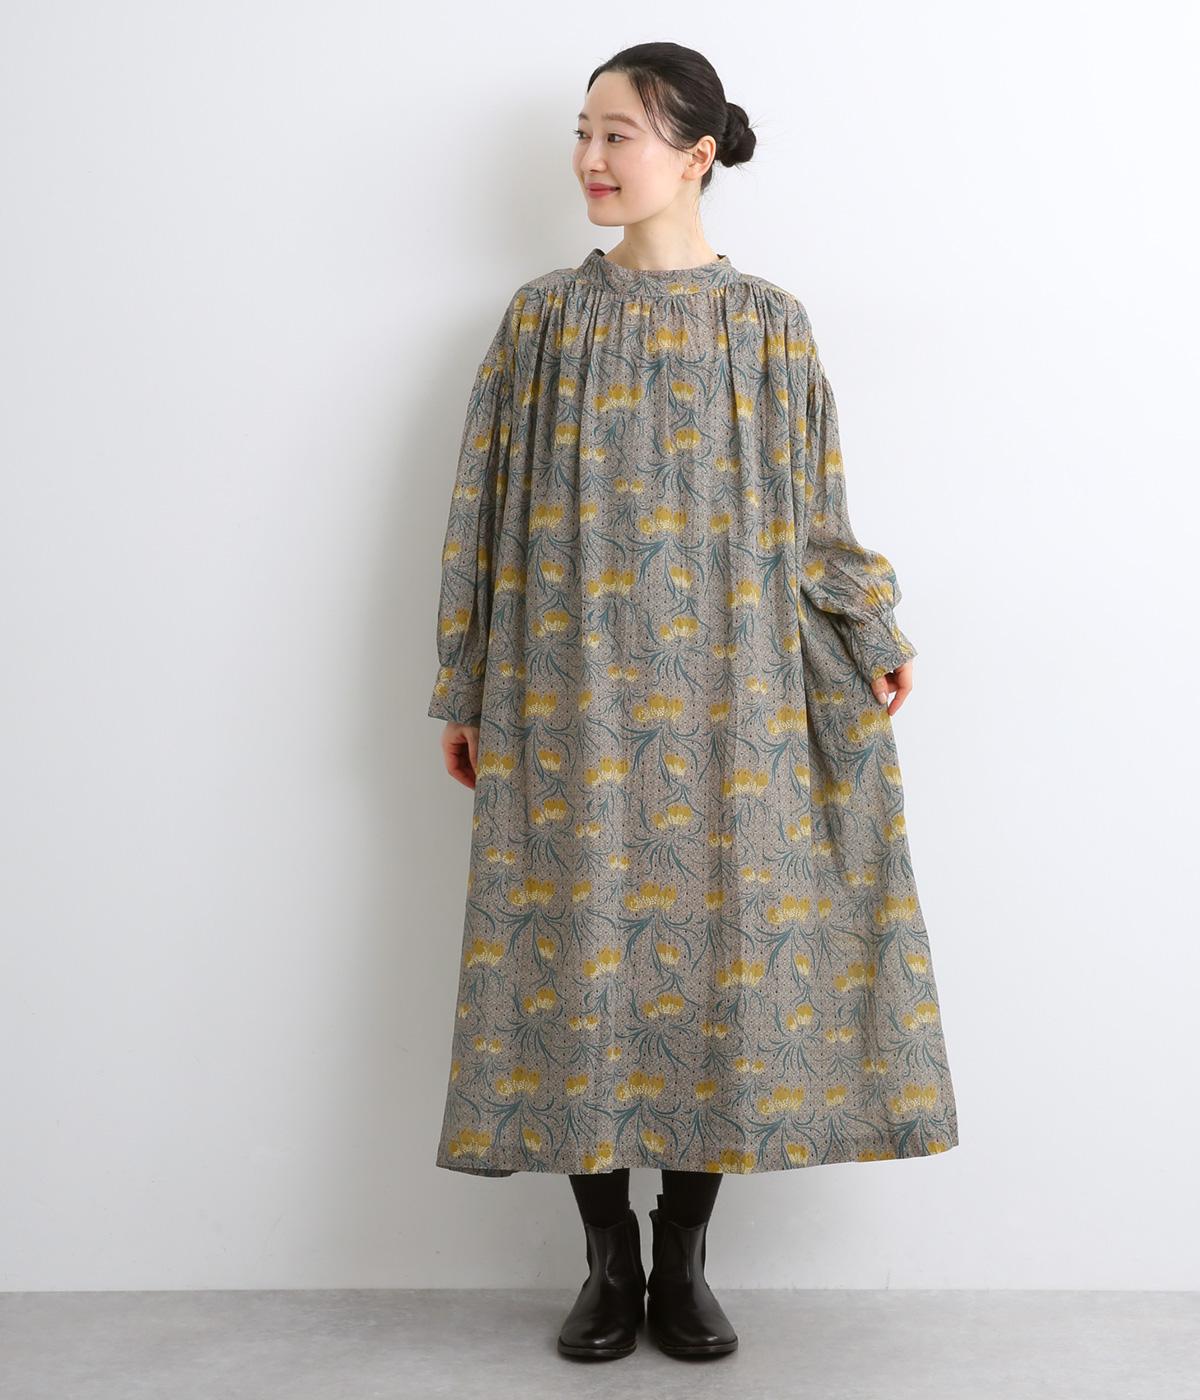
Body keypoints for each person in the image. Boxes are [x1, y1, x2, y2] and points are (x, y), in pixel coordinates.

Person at [426, 42, 959, 1363]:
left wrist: (870, 628)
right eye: (583, 132)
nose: (590, 159)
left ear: (697, 153)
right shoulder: (542, 319)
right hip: (565, 694)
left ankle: (686, 1255)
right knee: (571, 955)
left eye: (618, 134)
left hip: (737, 697)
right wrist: (464, 678)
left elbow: (814, 509)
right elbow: (481, 512)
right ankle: (605, 1259)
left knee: (724, 953)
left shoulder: (769, 323)